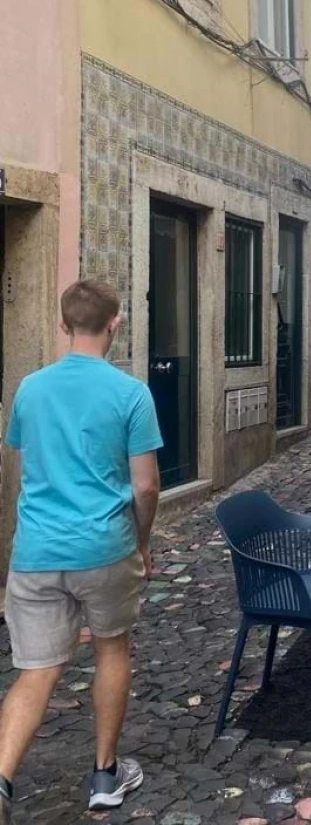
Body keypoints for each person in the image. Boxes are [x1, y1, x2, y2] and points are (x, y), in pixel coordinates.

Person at [0, 281, 163, 823]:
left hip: (37, 551)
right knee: (113, 650)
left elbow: (21, 466)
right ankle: (104, 775)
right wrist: (143, 542)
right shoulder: (130, 393)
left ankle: (0, 779)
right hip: (104, 547)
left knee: (35, 670)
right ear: (115, 323)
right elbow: (145, 487)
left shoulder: (30, 389)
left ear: (64, 324)